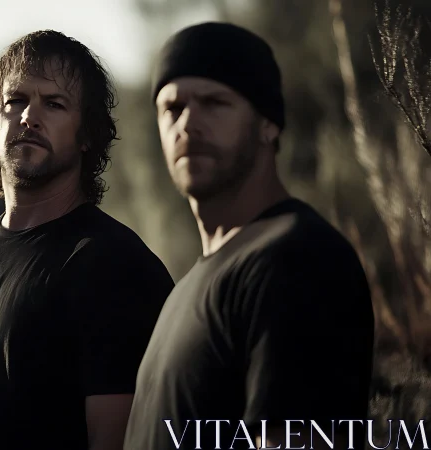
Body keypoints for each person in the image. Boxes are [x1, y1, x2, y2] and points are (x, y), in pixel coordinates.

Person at [0, 30, 175, 450]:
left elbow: (119, 436)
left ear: (86, 135)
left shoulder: (117, 267)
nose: (29, 117)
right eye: (15, 101)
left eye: (54, 104)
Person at [124, 22, 374, 450]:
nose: (187, 123)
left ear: (268, 124)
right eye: (172, 108)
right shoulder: (186, 288)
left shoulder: (295, 259)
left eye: (214, 102)